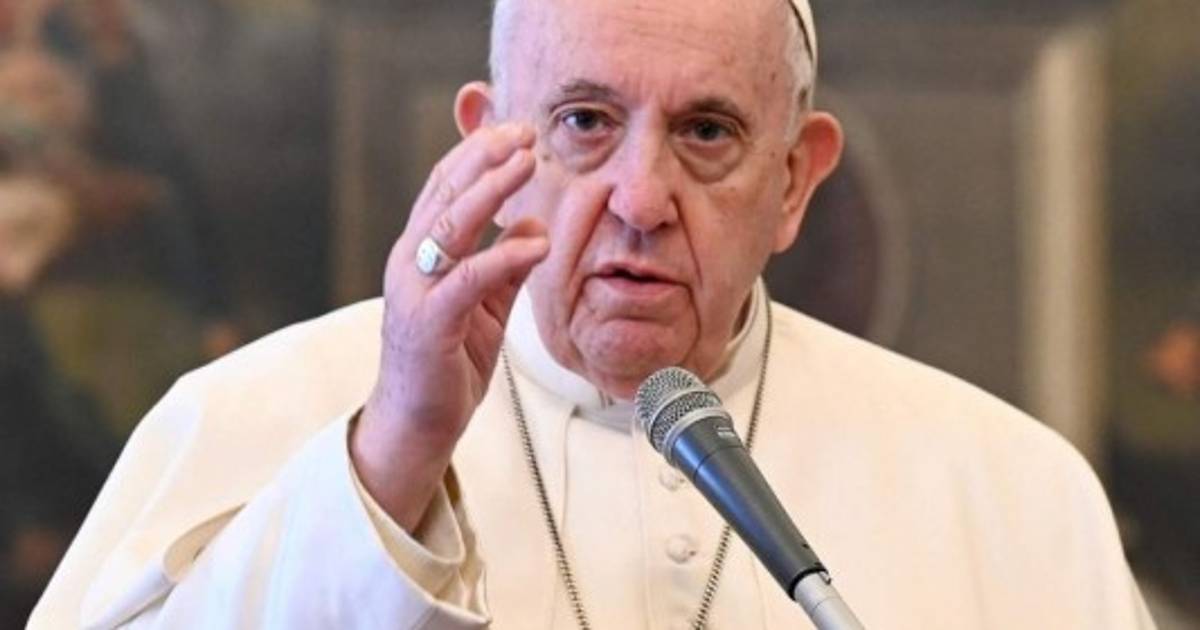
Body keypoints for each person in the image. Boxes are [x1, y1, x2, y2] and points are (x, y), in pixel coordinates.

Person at [31, 0, 1155, 627]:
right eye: (583, 121)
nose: (639, 198)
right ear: (491, 147)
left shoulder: (1013, 492)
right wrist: (390, 460)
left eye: (706, 132)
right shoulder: (250, 412)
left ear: (794, 182)